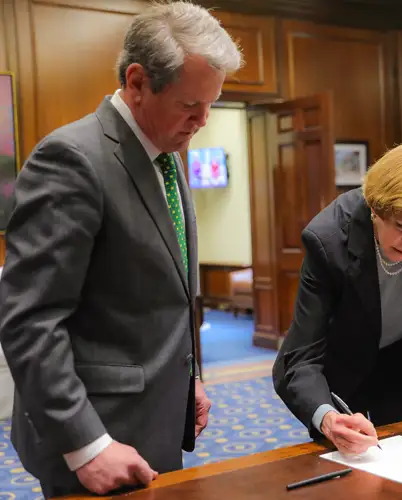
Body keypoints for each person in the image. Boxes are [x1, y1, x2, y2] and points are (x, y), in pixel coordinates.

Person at [0, 2, 242, 497]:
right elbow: (30, 320)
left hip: (157, 419)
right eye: (189, 105)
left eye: (210, 105)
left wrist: (188, 376)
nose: (202, 121)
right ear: (137, 83)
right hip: (97, 436)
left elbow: (163, 291)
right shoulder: (72, 159)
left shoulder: (167, 154)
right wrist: (87, 444)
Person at [273, 140, 402, 457]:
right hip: (341, 369)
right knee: (347, 470)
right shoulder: (327, 239)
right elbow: (303, 353)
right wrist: (328, 419)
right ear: (375, 206)